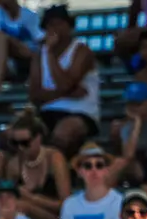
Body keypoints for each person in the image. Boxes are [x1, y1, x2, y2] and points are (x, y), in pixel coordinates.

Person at [29, 4, 101, 158]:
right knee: (19, 133)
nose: (56, 28)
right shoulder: (38, 55)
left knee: (63, 132)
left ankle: (58, 176)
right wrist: (67, 93)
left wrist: (50, 55)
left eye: (60, 23)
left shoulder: (82, 51)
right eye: (51, 24)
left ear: (69, 26)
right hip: (47, 112)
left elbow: (65, 83)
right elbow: (34, 94)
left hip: (81, 112)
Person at [5, 110, 71, 219]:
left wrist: (32, 199)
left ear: (38, 138)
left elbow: (67, 205)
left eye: (25, 143)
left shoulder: (54, 159)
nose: (20, 148)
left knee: (23, 206)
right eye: (15, 143)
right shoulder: (13, 165)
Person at [59, 143, 124, 219]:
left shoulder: (119, 202)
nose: (94, 170)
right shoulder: (69, 205)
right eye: (88, 166)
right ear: (79, 171)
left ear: (106, 170)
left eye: (99, 165)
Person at [0, 0, 43, 93]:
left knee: (3, 37)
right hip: (7, 54)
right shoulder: (0, 13)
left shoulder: (29, 16)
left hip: (28, 52)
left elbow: (39, 39)